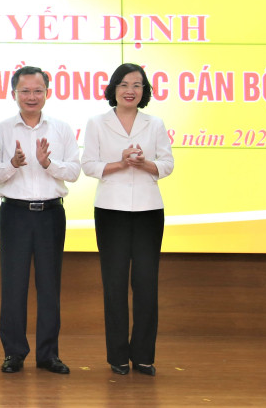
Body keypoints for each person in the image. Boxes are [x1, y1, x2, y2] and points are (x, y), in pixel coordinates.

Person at [81, 63, 174, 377]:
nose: (130, 90)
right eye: (123, 84)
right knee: (115, 284)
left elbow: (167, 164)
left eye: (137, 85)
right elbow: (89, 166)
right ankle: (118, 357)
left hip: (149, 210)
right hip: (111, 210)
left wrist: (145, 163)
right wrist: (120, 163)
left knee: (146, 284)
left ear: (144, 91)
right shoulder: (97, 122)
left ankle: (144, 356)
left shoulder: (155, 123)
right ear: (113, 89)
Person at [0, 66, 80, 375]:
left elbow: (74, 172)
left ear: (47, 93)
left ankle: (48, 355)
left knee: (49, 287)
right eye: (24, 91)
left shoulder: (62, 129)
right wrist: (13, 164)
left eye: (37, 91)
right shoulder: (0, 129)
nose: (31, 96)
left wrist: (47, 163)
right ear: (13, 93)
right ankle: (14, 353)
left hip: (51, 214)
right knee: (13, 287)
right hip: (14, 214)